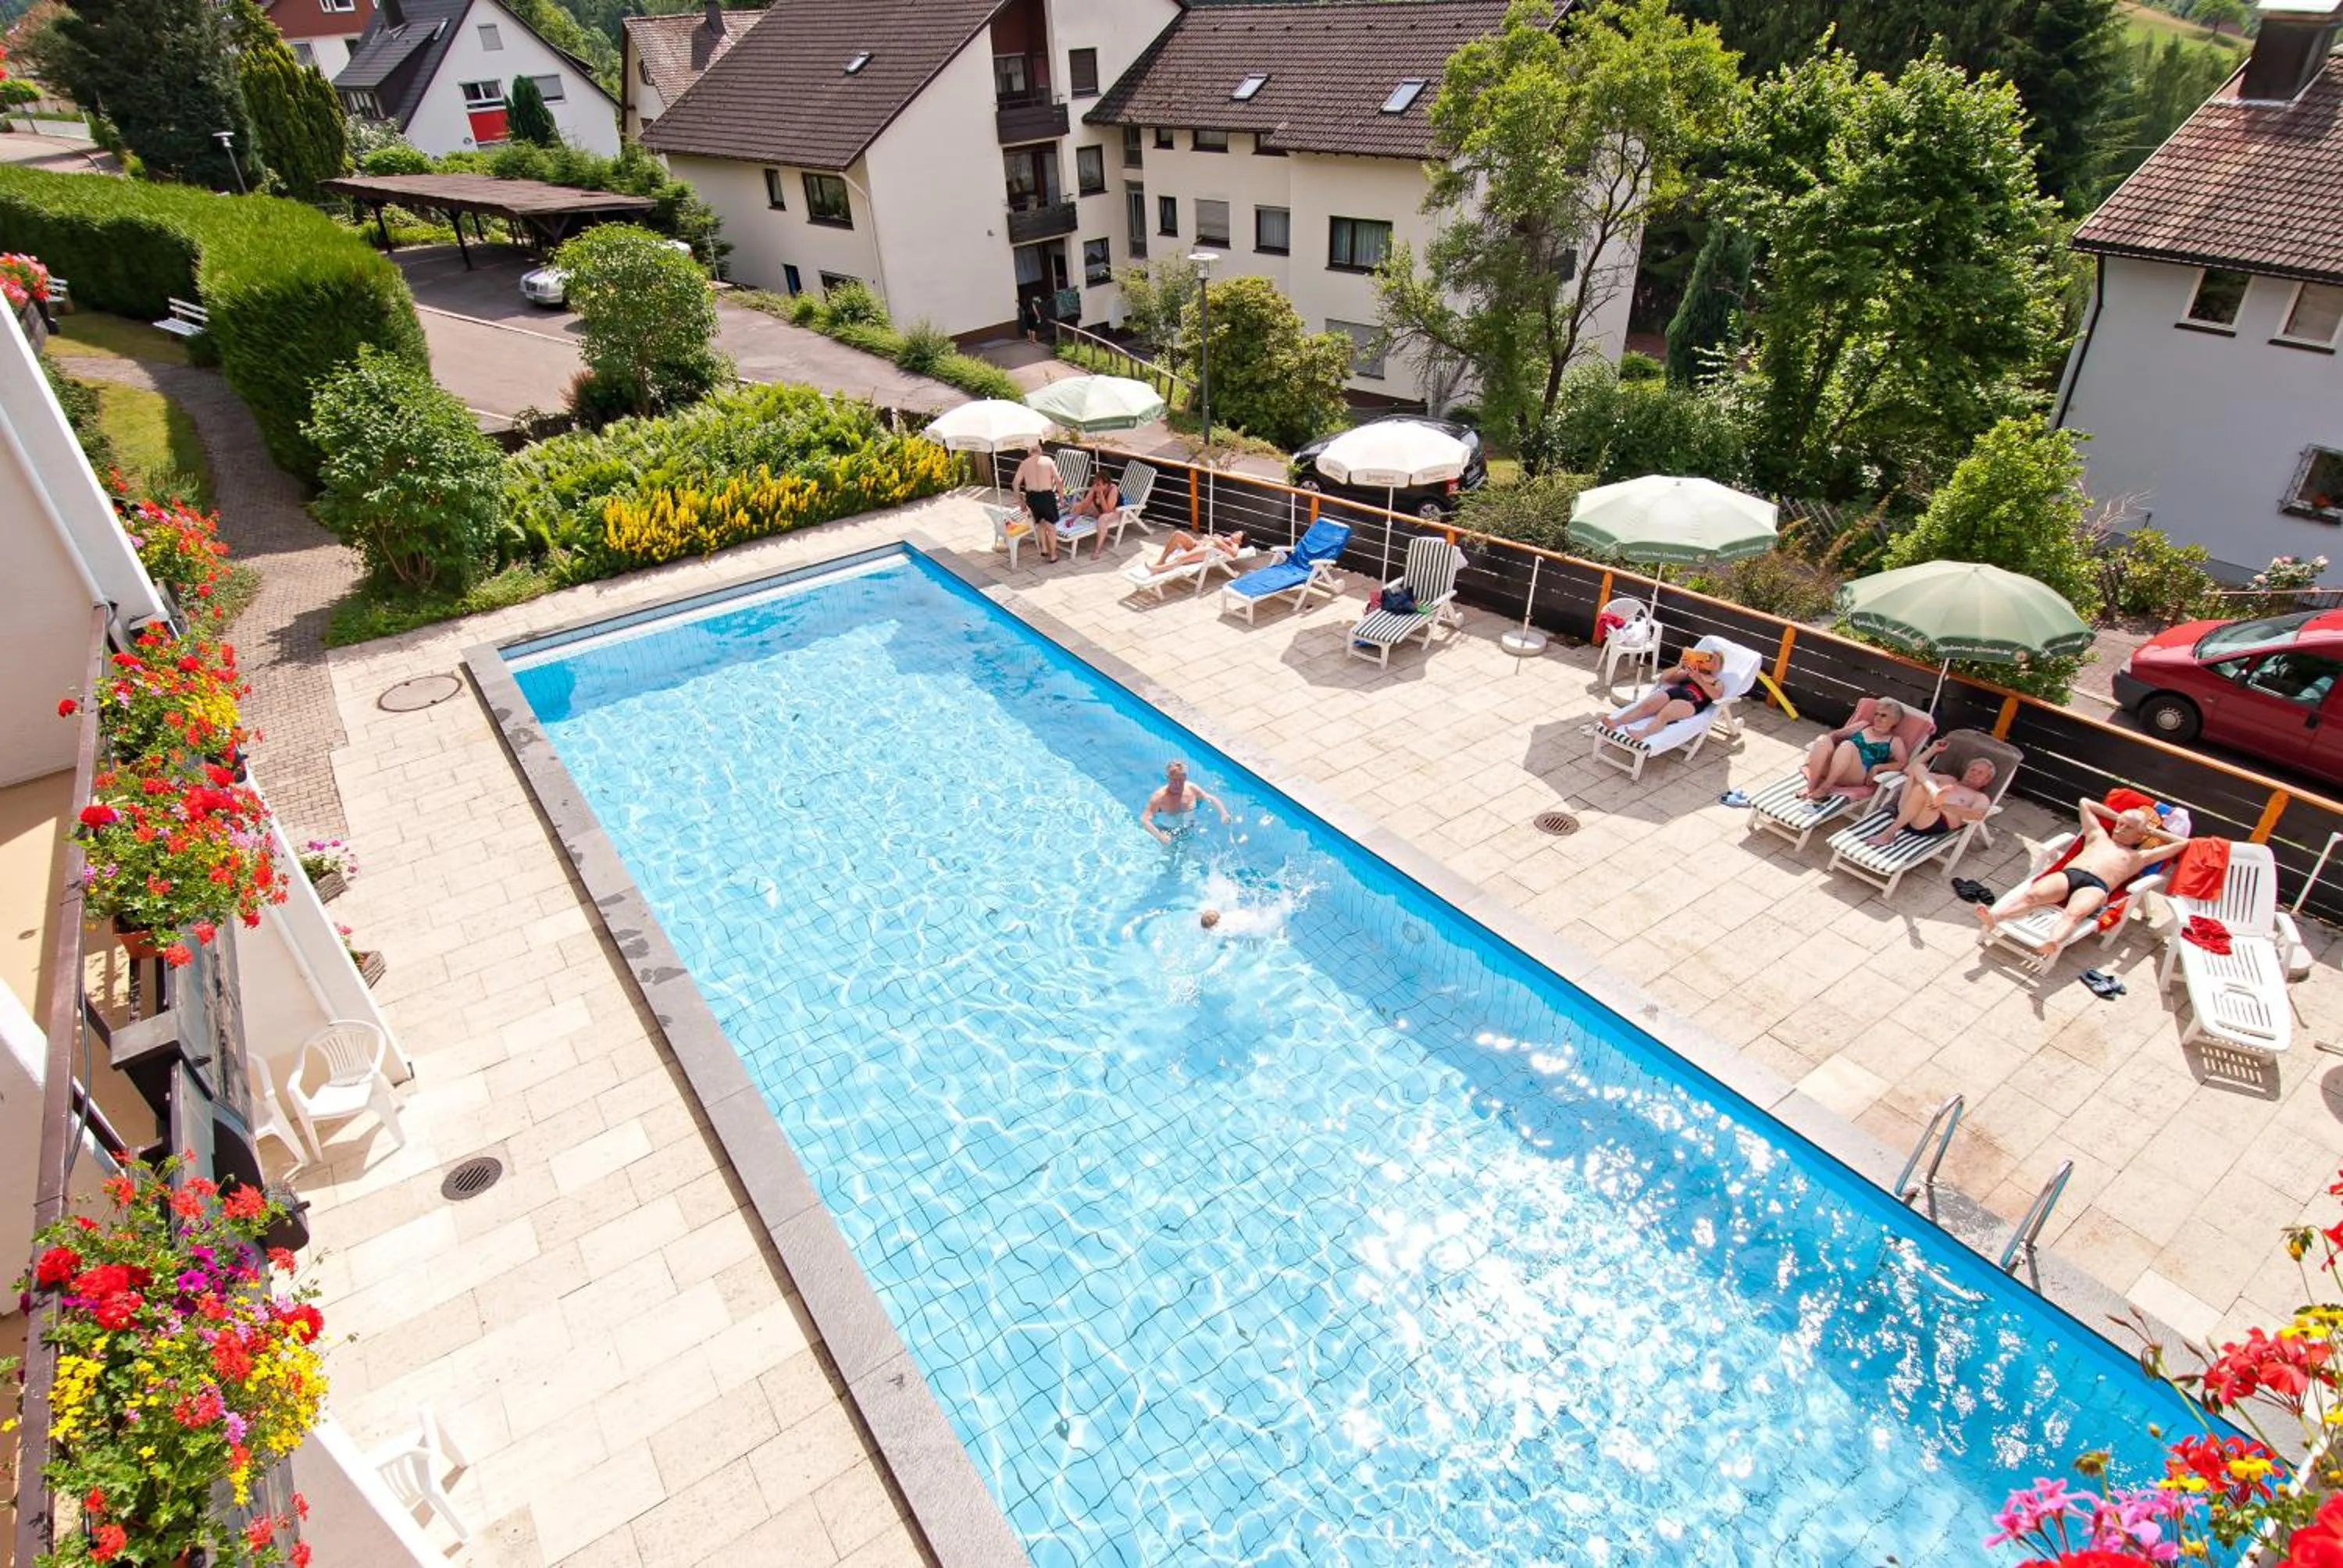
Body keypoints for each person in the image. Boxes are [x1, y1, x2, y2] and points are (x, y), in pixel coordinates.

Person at [1976, 797, 2189, 957]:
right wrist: (2119, 817)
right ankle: (1995, 917)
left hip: (2096, 887)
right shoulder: (2098, 835)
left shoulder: (2140, 856)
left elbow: (2182, 844)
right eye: (2119, 823)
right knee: (2033, 895)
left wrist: (2150, 830)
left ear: (2141, 835)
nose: (2120, 828)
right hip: (2069, 875)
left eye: (2128, 827)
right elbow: (2085, 803)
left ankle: (2052, 942)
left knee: (2074, 914)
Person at [1860, 739, 1996, 846]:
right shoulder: (1949, 779)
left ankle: (1889, 833)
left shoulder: (1980, 797)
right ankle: (1934, 791)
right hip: (1906, 811)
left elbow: (1978, 815)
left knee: (1921, 790)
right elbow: (1910, 770)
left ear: (1986, 781)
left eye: (1980, 773)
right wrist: (1933, 750)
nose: (1974, 774)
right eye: (1972, 770)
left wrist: (1942, 805)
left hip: (1928, 823)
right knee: (1919, 768)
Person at [1802, 699, 1913, 800]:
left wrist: (1878, 767)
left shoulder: (1894, 740)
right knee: (1823, 739)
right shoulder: (1863, 725)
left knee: (1847, 746)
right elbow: (1836, 735)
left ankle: (1824, 789)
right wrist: (1821, 749)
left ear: (1895, 721)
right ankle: (1810, 787)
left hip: (1856, 776)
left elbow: (1902, 763)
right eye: (1876, 714)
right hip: (1836, 766)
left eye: (1884, 715)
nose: (1878, 718)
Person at [1606, 649, 1724, 741]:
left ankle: (1643, 733)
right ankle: (1616, 722)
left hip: (1692, 701)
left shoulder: (1717, 682)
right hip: (1674, 693)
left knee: (1667, 712)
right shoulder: (1689, 672)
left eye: (1715, 661)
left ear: (1719, 668)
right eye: (1710, 658)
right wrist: (1679, 666)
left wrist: (1699, 680)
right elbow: (1664, 678)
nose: (1711, 661)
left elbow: (1717, 697)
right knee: (1647, 705)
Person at [1141, 760, 1230, 843]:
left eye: (1181, 780)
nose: (1178, 784)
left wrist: (1223, 813)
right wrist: (1160, 836)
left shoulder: (1191, 789)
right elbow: (1144, 819)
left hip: (1189, 827)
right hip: (1168, 831)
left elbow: (1210, 798)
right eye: (1174, 780)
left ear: (1185, 778)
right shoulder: (1160, 797)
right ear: (1168, 778)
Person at [1011, 446, 1065, 562]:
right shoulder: (1048, 460)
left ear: (1029, 453)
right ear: (1040, 452)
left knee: (1040, 522)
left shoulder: (1024, 464)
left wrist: (1021, 502)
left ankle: (1044, 549)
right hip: (1046, 496)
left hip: (1032, 497)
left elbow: (1015, 484)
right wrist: (1061, 497)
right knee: (1051, 527)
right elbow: (1059, 480)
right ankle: (1053, 555)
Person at [1148, 530, 1247, 570]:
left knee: (1181, 558)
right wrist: (1209, 538)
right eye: (1237, 531)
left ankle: (1157, 570)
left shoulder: (1235, 544)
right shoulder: (1227, 538)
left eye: (1239, 534)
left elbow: (1234, 554)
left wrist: (1219, 542)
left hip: (1206, 551)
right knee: (1178, 534)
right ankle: (1162, 560)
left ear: (1241, 541)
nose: (1236, 533)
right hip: (1199, 545)